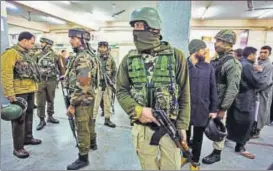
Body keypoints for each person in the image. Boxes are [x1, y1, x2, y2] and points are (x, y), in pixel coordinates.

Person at [116, 7, 190, 170]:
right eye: (133, 26)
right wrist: (137, 110)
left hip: (170, 126)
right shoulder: (129, 59)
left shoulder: (176, 56)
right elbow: (121, 90)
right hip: (142, 129)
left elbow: (185, 93)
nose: (135, 31)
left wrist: (183, 125)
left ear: (153, 27)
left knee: (172, 166)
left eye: (139, 25)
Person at [202, 29, 242, 165]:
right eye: (216, 41)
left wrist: (223, 109)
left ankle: (217, 152)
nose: (216, 44)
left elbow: (233, 88)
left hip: (219, 104)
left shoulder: (233, 64)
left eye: (219, 41)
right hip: (208, 101)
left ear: (228, 44)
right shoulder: (215, 60)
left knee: (218, 128)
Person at [1, 31, 42, 158]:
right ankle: (18, 148)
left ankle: (28, 138)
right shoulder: (11, 53)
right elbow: (6, 73)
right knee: (18, 119)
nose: (32, 45)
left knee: (29, 114)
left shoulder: (27, 54)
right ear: (24, 40)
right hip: (19, 92)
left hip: (29, 89)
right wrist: (9, 93)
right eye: (31, 42)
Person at [181, 39, 218, 170]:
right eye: (203, 50)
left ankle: (195, 162)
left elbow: (213, 88)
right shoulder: (183, 66)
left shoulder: (208, 67)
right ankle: (185, 155)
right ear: (195, 51)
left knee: (198, 138)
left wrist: (214, 109)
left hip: (202, 109)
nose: (205, 52)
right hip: (185, 109)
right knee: (183, 136)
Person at [65, 28, 98, 170]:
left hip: (82, 99)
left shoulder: (83, 58)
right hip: (88, 96)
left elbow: (83, 84)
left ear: (82, 40)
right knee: (89, 122)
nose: (70, 40)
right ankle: (93, 143)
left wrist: (72, 104)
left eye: (73, 38)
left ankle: (83, 157)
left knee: (82, 128)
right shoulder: (85, 55)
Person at [226, 47, 266, 159]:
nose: (256, 57)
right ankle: (240, 146)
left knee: (233, 120)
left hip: (236, 97)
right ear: (251, 55)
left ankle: (228, 138)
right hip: (246, 99)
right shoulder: (247, 66)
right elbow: (256, 82)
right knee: (247, 123)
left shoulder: (238, 63)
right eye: (256, 54)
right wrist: (259, 72)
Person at [36, 37, 66, 130]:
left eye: (43, 43)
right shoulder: (37, 55)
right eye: (41, 43)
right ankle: (41, 119)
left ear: (48, 44)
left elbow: (61, 67)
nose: (41, 44)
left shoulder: (56, 55)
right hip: (40, 81)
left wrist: (62, 77)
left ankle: (50, 116)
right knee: (40, 101)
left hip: (52, 80)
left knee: (51, 99)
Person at [93, 41, 117, 129]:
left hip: (108, 84)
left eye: (104, 47)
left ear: (107, 48)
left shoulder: (110, 58)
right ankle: (93, 120)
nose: (102, 49)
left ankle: (107, 119)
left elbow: (115, 70)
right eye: (101, 47)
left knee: (107, 103)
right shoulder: (95, 58)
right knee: (95, 103)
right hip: (97, 84)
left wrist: (112, 81)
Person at [252, 45, 273, 138]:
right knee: (254, 112)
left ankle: (257, 130)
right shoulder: (258, 63)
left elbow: (265, 82)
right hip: (255, 92)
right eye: (261, 52)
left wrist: (254, 89)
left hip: (262, 93)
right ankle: (252, 129)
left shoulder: (269, 66)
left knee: (261, 112)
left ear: (269, 54)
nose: (262, 54)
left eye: (265, 52)